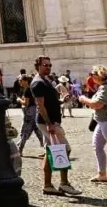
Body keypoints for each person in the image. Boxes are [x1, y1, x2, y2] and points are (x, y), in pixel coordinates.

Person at [31, 56, 81, 196]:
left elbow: (50, 101)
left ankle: (47, 185)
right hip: (47, 122)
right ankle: (64, 184)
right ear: (38, 66)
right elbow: (40, 106)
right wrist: (49, 124)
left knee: (50, 152)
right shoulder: (38, 83)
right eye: (45, 65)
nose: (48, 67)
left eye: (50, 65)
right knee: (65, 149)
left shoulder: (46, 81)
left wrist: (61, 100)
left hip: (52, 121)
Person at [16, 73, 44, 154]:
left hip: (30, 112)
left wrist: (19, 100)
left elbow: (26, 103)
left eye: (21, 80)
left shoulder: (27, 90)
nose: (19, 82)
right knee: (36, 129)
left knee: (25, 130)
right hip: (35, 111)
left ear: (26, 81)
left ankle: (20, 149)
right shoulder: (31, 88)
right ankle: (45, 146)